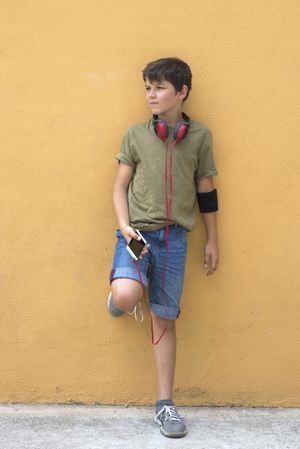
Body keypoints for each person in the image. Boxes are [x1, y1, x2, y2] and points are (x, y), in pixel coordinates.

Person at [107, 57, 219, 438]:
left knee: (163, 318)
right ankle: (122, 296)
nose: (151, 95)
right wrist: (124, 228)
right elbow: (119, 187)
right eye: (147, 88)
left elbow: (207, 192)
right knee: (125, 296)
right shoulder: (136, 136)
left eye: (159, 88)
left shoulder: (200, 137)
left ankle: (165, 405)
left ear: (182, 92)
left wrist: (213, 240)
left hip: (175, 240)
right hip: (136, 235)